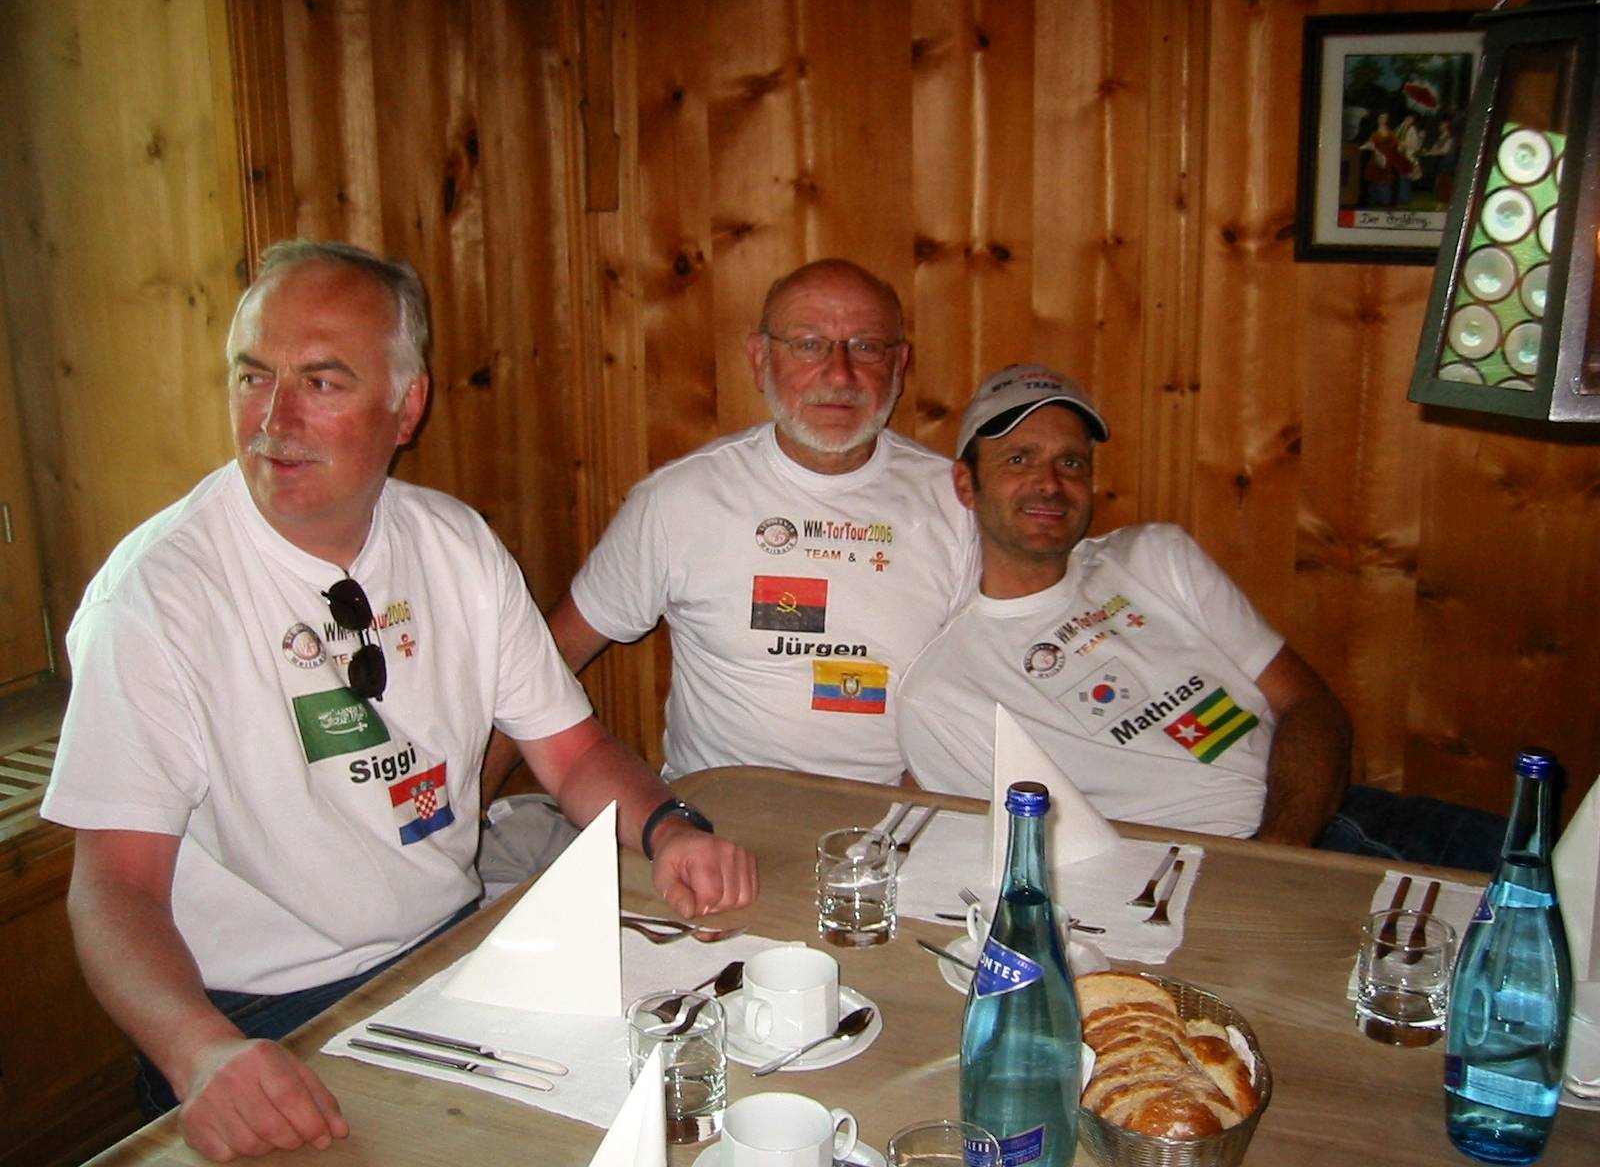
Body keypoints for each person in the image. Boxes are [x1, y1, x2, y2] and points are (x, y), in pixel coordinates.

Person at [40, 241, 757, 1162]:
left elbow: (573, 753)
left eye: (321, 382)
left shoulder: (456, 544)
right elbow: (113, 887)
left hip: (451, 952)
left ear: (407, 405)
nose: (273, 420)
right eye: (253, 377)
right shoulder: (153, 596)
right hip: (262, 1014)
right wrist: (199, 1053)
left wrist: (668, 830)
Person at [539, 258, 977, 785]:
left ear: (899, 366)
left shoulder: (957, 505)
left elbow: (978, 689)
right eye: (809, 345)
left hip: (895, 816)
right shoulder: (680, 500)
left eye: (865, 347)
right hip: (718, 818)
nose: (839, 374)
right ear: (759, 359)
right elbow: (545, 662)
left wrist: (914, 812)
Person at [895, 364, 1351, 843]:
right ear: (966, 484)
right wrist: (1259, 870)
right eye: (1019, 460)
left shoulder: (1157, 557)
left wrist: (1280, 852)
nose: (1049, 483)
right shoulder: (942, 693)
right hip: (1190, 867)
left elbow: (1310, 706)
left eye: (1071, 463)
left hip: (1311, 816)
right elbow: (1022, 853)